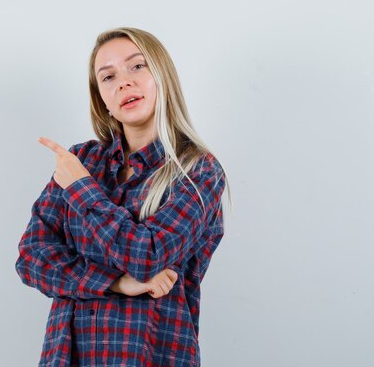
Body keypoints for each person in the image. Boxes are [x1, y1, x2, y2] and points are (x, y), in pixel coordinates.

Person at [15, 27, 231, 367]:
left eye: (137, 67)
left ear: (163, 76)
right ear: (101, 98)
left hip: (148, 353)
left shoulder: (198, 171)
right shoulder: (82, 161)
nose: (123, 83)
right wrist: (116, 283)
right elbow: (31, 259)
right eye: (108, 77)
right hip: (65, 356)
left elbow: (147, 255)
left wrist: (80, 189)